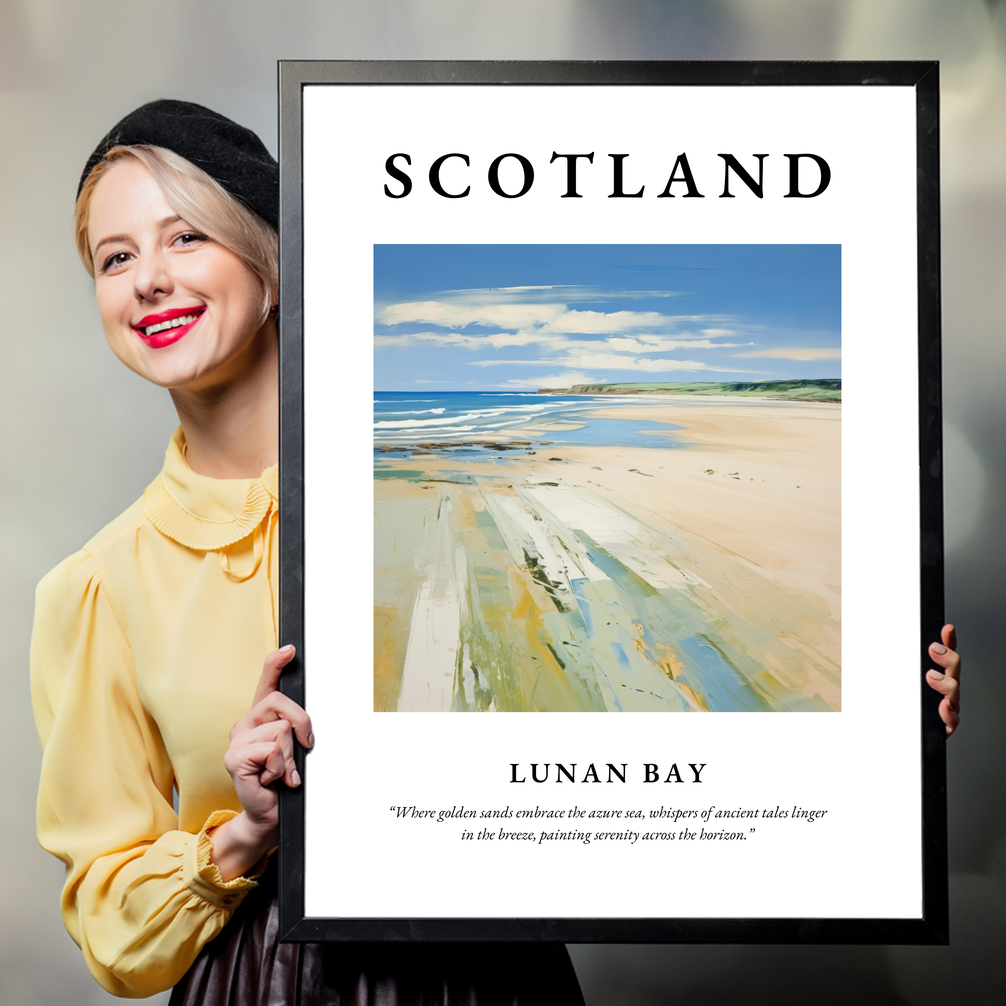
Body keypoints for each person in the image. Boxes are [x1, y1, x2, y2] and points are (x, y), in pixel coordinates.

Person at [30, 100, 585, 1004]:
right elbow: (110, 924)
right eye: (116, 257)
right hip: (262, 982)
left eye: (186, 239)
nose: (148, 281)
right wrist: (245, 832)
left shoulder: (453, 491)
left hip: (492, 972)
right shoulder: (97, 587)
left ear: (274, 264)